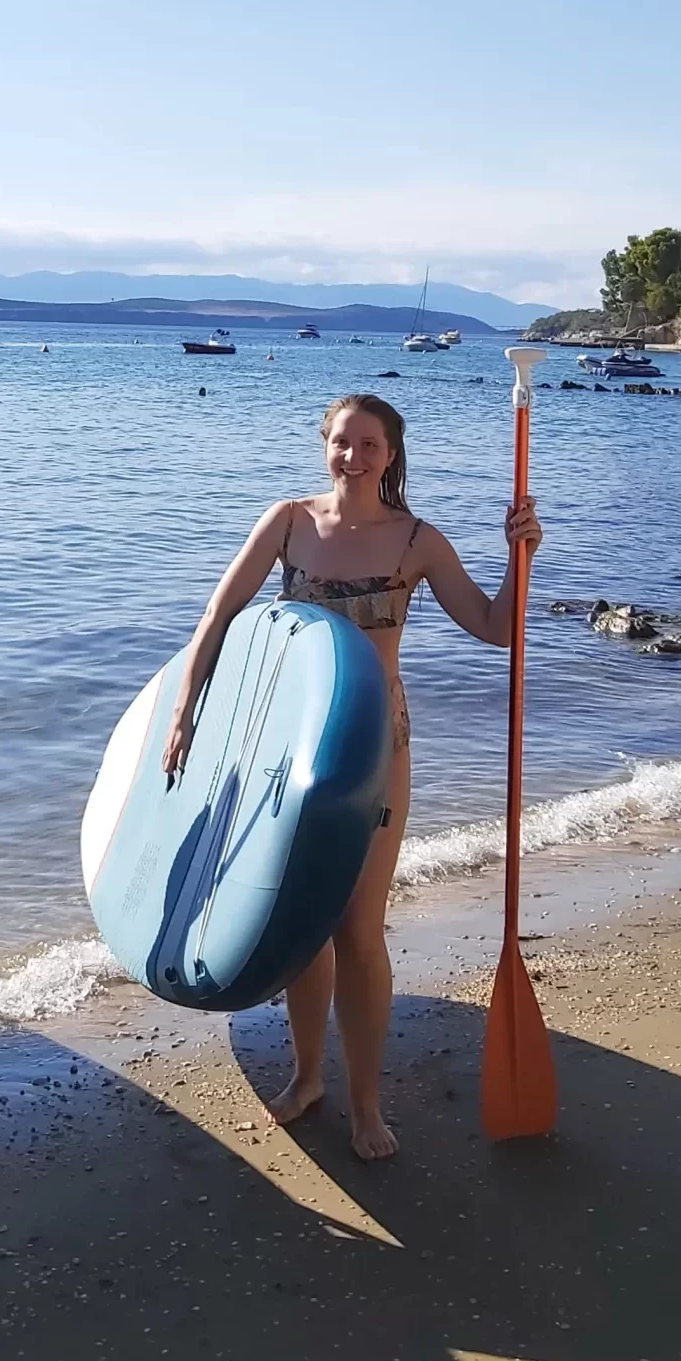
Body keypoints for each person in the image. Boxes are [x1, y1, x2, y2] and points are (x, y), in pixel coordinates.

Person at [162, 394, 542, 1160]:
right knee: (304, 929)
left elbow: (497, 629)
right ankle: (308, 1079)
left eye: (369, 444)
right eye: (342, 442)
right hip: (289, 750)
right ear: (324, 445)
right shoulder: (289, 522)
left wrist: (520, 554)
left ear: (391, 454)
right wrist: (183, 714)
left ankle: (367, 1103)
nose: (353, 456)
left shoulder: (418, 540)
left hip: (378, 748)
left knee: (357, 929)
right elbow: (219, 615)